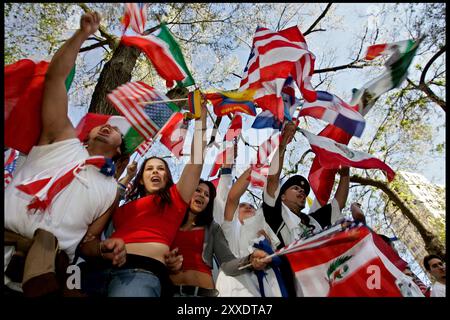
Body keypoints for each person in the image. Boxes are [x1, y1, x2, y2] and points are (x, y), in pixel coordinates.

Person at [4, 11, 126, 296]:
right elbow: (54, 80)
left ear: (119, 148)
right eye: (103, 125)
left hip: (44, 279)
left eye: (114, 129)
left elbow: (89, 242)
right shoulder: (60, 139)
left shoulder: (111, 190)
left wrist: (106, 248)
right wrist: (81, 35)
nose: (107, 128)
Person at [103, 100, 209, 297]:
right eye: (149, 169)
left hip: (138, 275)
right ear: (141, 179)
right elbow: (102, 213)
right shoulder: (123, 206)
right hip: (99, 271)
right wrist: (126, 177)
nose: (155, 172)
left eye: (161, 169)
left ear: (168, 177)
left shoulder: (176, 198)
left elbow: (196, 160)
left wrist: (201, 118)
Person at [261, 121, 350, 296]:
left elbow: (339, 202)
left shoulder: (313, 220)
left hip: (333, 281)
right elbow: (272, 180)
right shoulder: (275, 214)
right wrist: (283, 144)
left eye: (304, 190)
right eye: (295, 188)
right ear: (282, 196)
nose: (301, 191)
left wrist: (345, 171)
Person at [167, 179, 272, 297]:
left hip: (203, 293)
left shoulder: (213, 228)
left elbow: (227, 264)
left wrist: (250, 260)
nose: (202, 195)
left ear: (208, 202)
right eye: (198, 190)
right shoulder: (168, 223)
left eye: (207, 195)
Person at [216, 167, 287, 297]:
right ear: (236, 214)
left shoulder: (266, 230)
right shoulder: (231, 230)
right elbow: (232, 199)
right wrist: (254, 167)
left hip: (266, 289)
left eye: (252, 206)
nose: (248, 207)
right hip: (235, 289)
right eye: (242, 206)